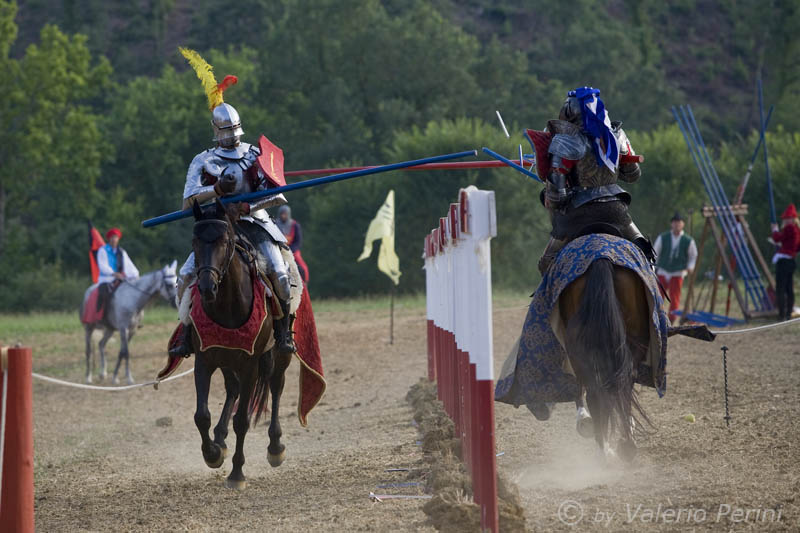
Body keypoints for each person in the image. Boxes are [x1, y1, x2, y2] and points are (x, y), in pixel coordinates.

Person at [169, 53, 294, 358]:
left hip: (255, 223)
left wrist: (246, 208)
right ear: (216, 131)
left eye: (233, 130)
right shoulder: (204, 160)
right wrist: (215, 190)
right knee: (186, 276)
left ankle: (283, 332)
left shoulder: (255, 154)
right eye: (225, 132)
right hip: (216, 225)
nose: (230, 137)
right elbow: (188, 202)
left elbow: (276, 194)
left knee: (278, 273)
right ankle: (186, 333)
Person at [535, 87, 652, 274]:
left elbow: (557, 197)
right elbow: (632, 175)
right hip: (615, 211)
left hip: (578, 214)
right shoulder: (616, 136)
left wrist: (555, 191)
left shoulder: (565, 141)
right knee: (645, 253)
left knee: (547, 264)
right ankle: (654, 299)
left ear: (569, 112)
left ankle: (545, 302)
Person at [653, 212, 698, 324]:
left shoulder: (688, 240)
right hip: (663, 270)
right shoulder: (663, 237)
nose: (677, 224)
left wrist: (690, 267)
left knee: (675, 298)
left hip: (678, 272)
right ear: (671, 224)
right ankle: (658, 318)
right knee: (658, 296)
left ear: (683, 224)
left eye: (679, 222)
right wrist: (653, 269)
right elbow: (655, 253)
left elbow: (693, 256)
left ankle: (671, 320)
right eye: (674, 222)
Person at [95, 228, 139, 311]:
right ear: (109, 239)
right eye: (112, 237)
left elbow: (129, 266)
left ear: (118, 239)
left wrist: (135, 275)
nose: (114, 239)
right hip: (106, 279)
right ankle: (101, 315)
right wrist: (114, 273)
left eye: (116, 237)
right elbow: (103, 266)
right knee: (104, 294)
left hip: (120, 279)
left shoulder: (122, 252)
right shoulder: (103, 250)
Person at [770, 203, 800, 321]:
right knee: (788, 289)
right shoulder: (797, 229)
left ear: (793, 218)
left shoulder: (790, 228)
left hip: (784, 261)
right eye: (786, 218)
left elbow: (777, 238)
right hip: (791, 261)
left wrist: (774, 230)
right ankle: (788, 313)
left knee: (781, 289)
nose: (786, 220)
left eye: (788, 218)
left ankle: (782, 315)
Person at [277, 205, 309, 283]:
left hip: (292, 250)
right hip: (278, 250)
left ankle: (305, 280)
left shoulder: (295, 225)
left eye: (285, 214)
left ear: (288, 214)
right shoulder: (275, 224)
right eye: (281, 214)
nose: (283, 216)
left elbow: (298, 241)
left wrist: (290, 250)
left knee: (302, 265)